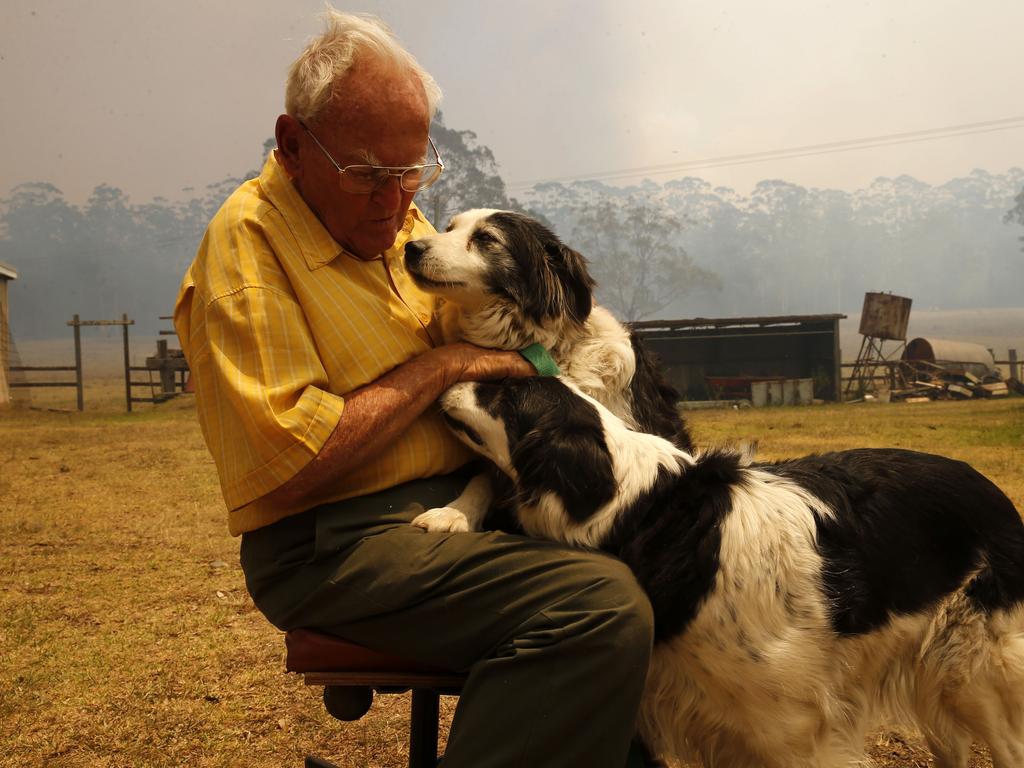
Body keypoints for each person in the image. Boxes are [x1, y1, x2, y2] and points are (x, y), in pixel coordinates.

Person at [174, 10, 655, 767]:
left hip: (455, 497)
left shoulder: (393, 225)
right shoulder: (249, 252)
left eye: (411, 172)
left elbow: (506, 328)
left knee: (648, 559)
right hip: (334, 542)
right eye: (369, 173)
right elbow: (293, 465)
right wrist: (443, 367)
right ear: (293, 146)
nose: (395, 202)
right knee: (598, 609)